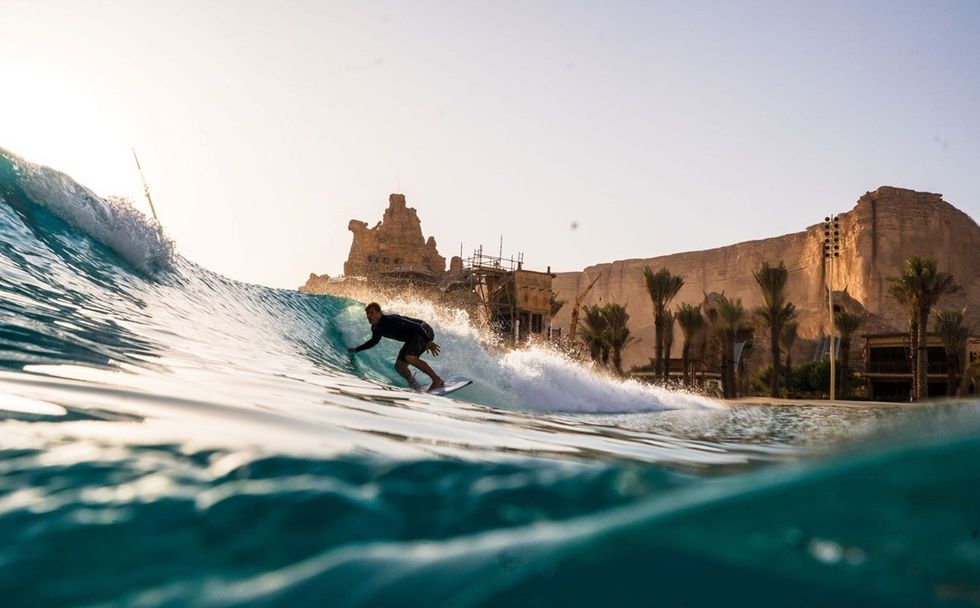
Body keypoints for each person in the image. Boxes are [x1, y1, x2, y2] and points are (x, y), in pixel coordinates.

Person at [348, 302, 445, 391]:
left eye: (371, 313)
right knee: (399, 367)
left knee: (410, 357)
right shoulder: (376, 328)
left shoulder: (391, 320)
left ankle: (437, 380)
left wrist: (428, 341)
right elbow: (373, 341)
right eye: (367, 314)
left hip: (424, 330)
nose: (369, 316)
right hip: (412, 338)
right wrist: (357, 349)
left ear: (379, 313)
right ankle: (415, 386)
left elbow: (417, 326)